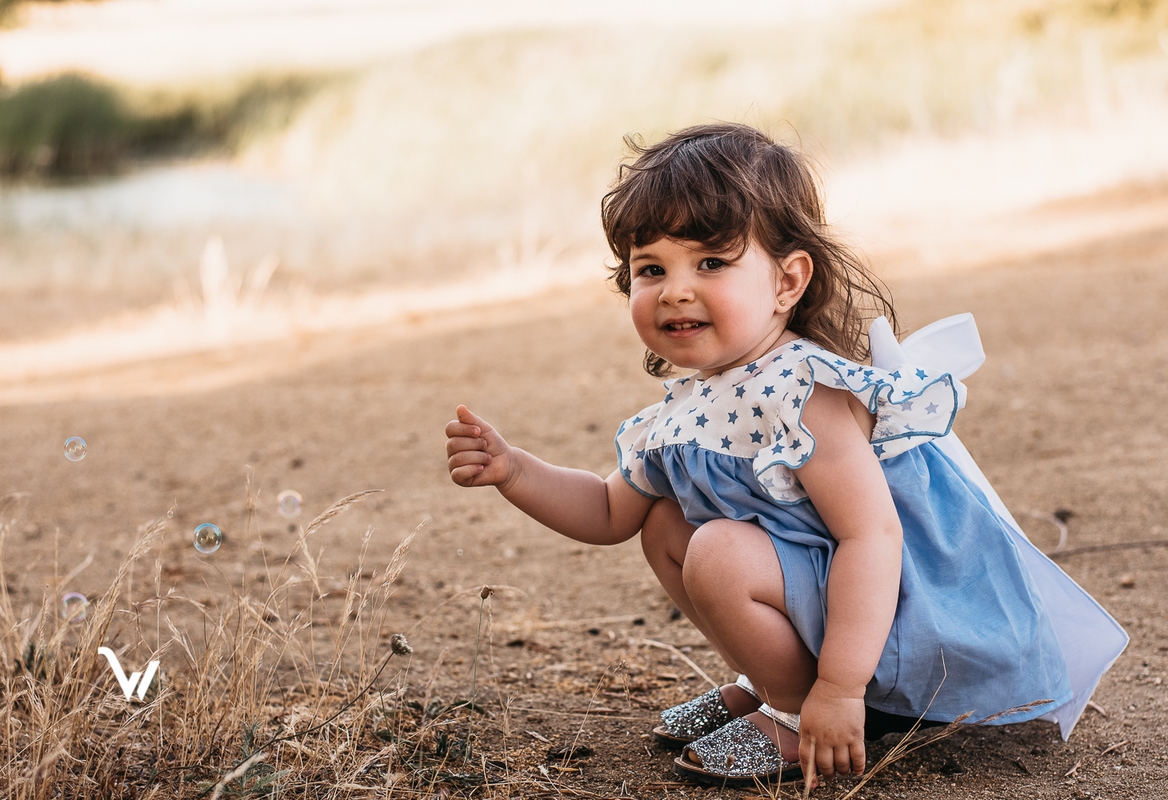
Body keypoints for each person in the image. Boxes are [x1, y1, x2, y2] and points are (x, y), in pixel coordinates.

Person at [444, 122, 1126, 788]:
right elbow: (605, 511)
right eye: (651, 268)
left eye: (711, 262)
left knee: (717, 550)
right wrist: (514, 469)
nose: (675, 288)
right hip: (820, 596)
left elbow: (872, 535)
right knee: (663, 524)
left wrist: (840, 686)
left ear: (787, 282)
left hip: (886, 614)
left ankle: (803, 710)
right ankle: (768, 682)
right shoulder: (686, 407)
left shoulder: (805, 391)